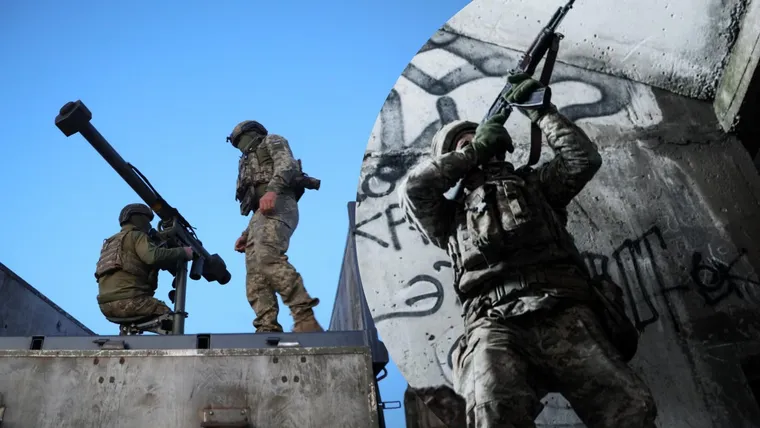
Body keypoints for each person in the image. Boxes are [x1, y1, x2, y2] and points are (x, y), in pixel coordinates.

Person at [398, 73, 657, 428]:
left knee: (629, 408)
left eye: (480, 137)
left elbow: (583, 160)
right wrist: (473, 152)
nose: (476, 145)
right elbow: (414, 190)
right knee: (491, 413)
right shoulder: (447, 217)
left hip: (562, 310)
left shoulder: (535, 185)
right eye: (463, 145)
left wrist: (541, 111)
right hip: (493, 324)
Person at [229, 120, 323, 333]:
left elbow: (286, 165)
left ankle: (305, 317)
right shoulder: (247, 161)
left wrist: (272, 190)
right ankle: (266, 328)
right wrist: (247, 233)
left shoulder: (272, 140)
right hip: (261, 214)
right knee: (255, 273)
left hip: (280, 202)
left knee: (267, 255)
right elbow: (258, 204)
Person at [95, 203, 193, 322]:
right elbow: (152, 256)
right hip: (131, 300)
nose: (149, 225)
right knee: (171, 320)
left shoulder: (110, 242)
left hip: (106, 306)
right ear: (138, 218)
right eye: (147, 220)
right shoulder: (137, 236)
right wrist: (183, 252)